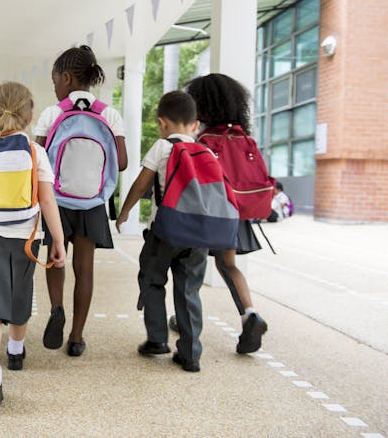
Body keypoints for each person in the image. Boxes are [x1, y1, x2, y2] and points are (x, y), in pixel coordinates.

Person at [0, 82, 66, 405]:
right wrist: (58, 240)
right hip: (26, 236)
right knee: (20, 293)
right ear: (30, 117)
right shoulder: (35, 151)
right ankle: (16, 351)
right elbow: (48, 201)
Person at [34, 45, 128, 357]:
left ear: (67, 77)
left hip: (57, 201)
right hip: (92, 203)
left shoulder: (53, 113)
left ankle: (56, 308)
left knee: (55, 258)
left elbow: (37, 158)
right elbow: (123, 162)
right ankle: (76, 337)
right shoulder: (109, 114)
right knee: (84, 269)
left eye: (55, 82)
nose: (55, 88)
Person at [116, 91, 207, 372]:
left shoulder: (162, 147)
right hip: (198, 234)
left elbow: (142, 184)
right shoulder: (206, 152)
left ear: (161, 122)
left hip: (164, 231)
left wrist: (125, 210)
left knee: (153, 280)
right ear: (195, 125)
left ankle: (157, 339)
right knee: (189, 289)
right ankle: (190, 353)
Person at [185, 73, 268, 354]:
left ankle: (184, 319)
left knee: (190, 267)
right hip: (239, 214)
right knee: (228, 265)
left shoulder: (204, 140)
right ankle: (250, 314)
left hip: (209, 216)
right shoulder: (243, 138)